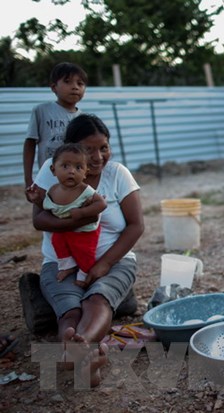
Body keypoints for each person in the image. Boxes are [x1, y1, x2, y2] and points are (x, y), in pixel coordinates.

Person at [26, 113, 144, 387]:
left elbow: (136, 226)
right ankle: (84, 354)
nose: (98, 156)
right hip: (61, 262)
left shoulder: (117, 174)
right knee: (69, 311)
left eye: (103, 147)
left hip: (113, 261)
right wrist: (79, 218)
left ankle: (77, 350)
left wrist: (102, 265)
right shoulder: (52, 168)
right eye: (89, 149)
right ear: (70, 149)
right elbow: (38, 219)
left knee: (97, 300)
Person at [31, 144, 107, 288]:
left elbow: (101, 204)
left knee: (85, 252)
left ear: (85, 173)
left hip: (86, 231)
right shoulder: (53, 190)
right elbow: (47, 207)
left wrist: (82, 212)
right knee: (57, 242)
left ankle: (85, 271)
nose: (72, 171)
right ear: (53, 170)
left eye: (78, 167)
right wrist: (36, 200)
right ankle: (68, 265)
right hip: (64, 230)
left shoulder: (85, 190)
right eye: (65, 166)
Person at [23, 62, 88, 190]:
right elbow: (30, 144)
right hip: (47, 179)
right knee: (42, 208)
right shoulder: (42, 111)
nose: (75, 87)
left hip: (74, 181)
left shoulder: (84, 119)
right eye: (68, 82)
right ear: (54, 87)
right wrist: (28, 179)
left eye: (80, 83)